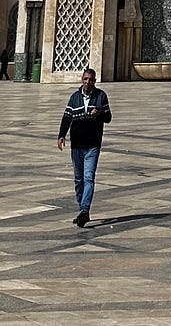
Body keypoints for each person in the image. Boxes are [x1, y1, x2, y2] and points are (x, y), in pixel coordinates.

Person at [57, 66, 112, 227]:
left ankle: (85, 210)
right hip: (77, 145)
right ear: (82, 80)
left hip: (92, 145)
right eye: (85, 79)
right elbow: (66, 118)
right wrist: (61, 135)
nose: (88, 82)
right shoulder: (74, 98)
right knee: (78, 179)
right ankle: (82, 208)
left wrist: (100, 113)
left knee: (89, 177)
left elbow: (108, 117)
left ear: (95, 81)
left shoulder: (101, 96)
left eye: (91, 80)